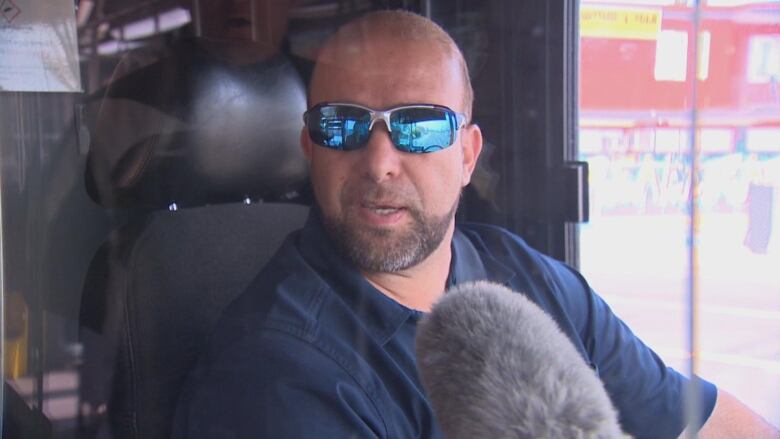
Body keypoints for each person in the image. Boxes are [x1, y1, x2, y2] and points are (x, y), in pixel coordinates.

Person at [172, 10, 779, 438]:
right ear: (311, 146)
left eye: (421, 126)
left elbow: (692, 420)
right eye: (343, 125)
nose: (380, 162)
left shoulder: (534, 282)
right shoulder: (274, 376)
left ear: (467, 154)